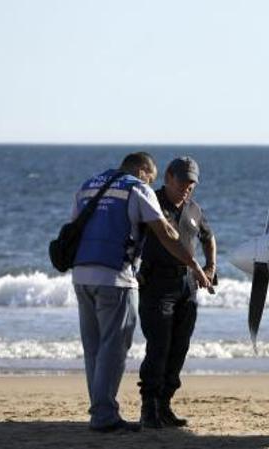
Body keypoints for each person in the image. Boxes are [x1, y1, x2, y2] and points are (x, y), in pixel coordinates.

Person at [72, 152, 211, 433]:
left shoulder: (88, 185)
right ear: (143, 170)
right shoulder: (136, 187)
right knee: (114, 347)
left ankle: (100, 410)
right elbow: (164, 232)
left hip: (81, 274)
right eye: (152, 177)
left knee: (94, 348)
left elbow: (74, 228)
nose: (152, 183)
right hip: (115, 276)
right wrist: (193, 263)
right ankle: (104, 415)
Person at [138, 156, 217, 428]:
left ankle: (165, 404)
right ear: (168, 177)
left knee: (179, 347)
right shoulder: (152, 202)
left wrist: (210, 267)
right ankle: (149, 407)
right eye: (182, 181)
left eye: (192, 183)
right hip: (157, 284)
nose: (187, 187)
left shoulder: (194, 209)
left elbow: (209, 237)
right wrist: (195, 265)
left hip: (188, 286)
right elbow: (163, 238)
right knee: (158, 346)